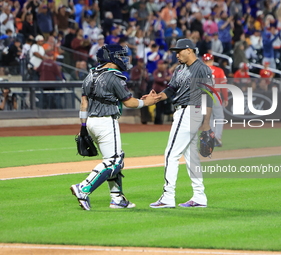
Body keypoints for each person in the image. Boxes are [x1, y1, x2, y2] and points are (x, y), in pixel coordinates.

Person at [70, 44, 158, 210]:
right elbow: (129, 102)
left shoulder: (90, 75)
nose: (124, 58)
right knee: (115, 161)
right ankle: (83, 188)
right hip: (106, 121)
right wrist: (147, 102)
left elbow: (83, 103)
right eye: (120, 55)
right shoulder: (114, 76)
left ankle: (117, 198)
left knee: (111, 159)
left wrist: (83, 127)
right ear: (110, 57)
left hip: (90, 122)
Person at [148, 38, 213, 208]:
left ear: (190, 50)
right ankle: (199, 196)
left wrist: (206, 123)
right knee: (191, 158)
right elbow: (171, 89)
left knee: (171, 153)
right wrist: (157, 97)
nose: (176, 54)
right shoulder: (179, 69)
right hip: (184, 111)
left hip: (190, 110)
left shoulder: (201, 69)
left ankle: (168, 196)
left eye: (179, 51)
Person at [202, 53, 228, 147]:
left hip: (204, 95)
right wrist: (226, 98)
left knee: (209, 118)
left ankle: (211, 138)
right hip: (215, 94)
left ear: (203, 61)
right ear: (212, 61)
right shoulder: (219, 70)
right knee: (219, 117)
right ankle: (218, 137)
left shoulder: (200, 71)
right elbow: (223, 86)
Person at [152, 60, 172, 125]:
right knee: (158, 107)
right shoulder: (156, 72)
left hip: (165, 92)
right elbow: (157, 79)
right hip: (157, 91)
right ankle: (157, 120)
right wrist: (165, 79)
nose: (162, 65)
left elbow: (172, 78)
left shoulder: (167, 71)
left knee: (165, 106)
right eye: (161, 64)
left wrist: (168, 78)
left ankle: (162, 119)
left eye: (163, 64)